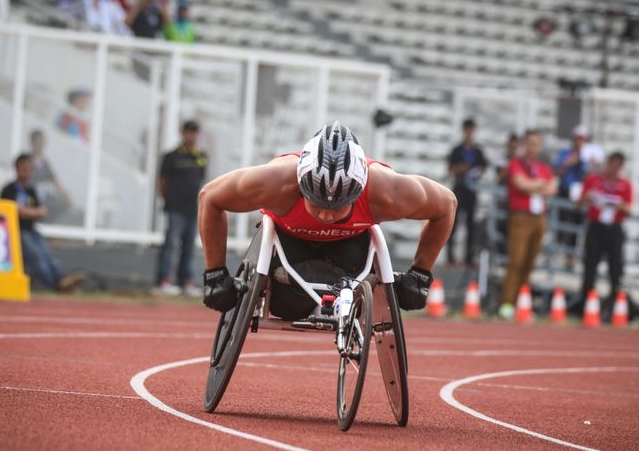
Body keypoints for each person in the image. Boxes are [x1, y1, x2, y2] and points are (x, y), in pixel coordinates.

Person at [198, 121, 457, 316]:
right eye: (317, 204)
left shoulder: (387, 193)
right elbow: (210, 197)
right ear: (300, 186)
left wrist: (420, 274)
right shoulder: (275, 182)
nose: (326, 215)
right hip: (287, 245)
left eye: (338, 207)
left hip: (350, 249)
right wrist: (215, 274)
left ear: (357, 194)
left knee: (345, 290)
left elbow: (446, 205)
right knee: (290, 310)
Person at [0, 154, 85, 292]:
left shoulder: (31, 190)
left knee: (47, 254)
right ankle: (56, 285)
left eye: (29, 168)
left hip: (31, 229)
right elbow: (12, 212)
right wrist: (27, 212)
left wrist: (25, 211)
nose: (27, 171)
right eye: (24, 168)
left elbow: (42, 211)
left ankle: (63, 279)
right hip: (15, 231)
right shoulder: (8, 189)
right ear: (16, 168)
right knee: (36, 256)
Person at [499, 129, 557, 320]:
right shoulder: (516, 163)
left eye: (536, 144)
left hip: (538, 218)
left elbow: (552, 189)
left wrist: (535, 185)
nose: (533, 147)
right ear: (525, 144)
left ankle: (521, 303)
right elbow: (520, 184)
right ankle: (507, 304)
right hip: (520, 218)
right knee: (515, 261)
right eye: (530, 143)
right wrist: (539, 185)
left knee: (529, 263)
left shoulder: (543, 167)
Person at [154, 121, 208, 297]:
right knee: (170, 244)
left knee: (189, 246)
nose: (191, 136)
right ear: (182, 133)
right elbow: (162, 182)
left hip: (192, 208)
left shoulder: (201, 156)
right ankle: (164, 280)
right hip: (175, 208)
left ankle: (185, 281)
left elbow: (201, 181)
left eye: (194, 133)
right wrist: (169, 199)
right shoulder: (171, 157)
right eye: (189, 132)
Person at [577, 151, 633, 316]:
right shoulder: (593, 180)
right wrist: (588, 197)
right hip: (596, 227)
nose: (613, 168)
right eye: (611, 164)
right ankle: (585, 306)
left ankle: (614, 307)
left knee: (616, 269)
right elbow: (579, 203)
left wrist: (619, 205)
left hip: (614, 228)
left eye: (617, 165)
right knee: (590, 267)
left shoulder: (625, 184)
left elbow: (629, 209)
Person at [447, 118, 487, 266]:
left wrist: (474, 172)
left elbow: (483, 168)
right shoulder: (457, 150)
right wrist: (461, 169)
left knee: (471, 225)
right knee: (454, 224)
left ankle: (469, 258)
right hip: (459, 189)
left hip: (471, 191)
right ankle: (450, 257)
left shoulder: (478, 151)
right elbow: (450, 169)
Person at [553, 125, 589, 269]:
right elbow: (556, 172)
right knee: (561, 225)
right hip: (565, 192)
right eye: (578, 139)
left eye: (582, 139)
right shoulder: (565, 153)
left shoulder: (589, 157)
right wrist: (569, 163)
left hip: (579, 196)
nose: (580, 142)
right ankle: (555, 253)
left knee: (575, 226)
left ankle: (570, 258)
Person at [29, 129, 71, 221]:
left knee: (61, 205)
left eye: (42, 142)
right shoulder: (27, 161)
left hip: (45, 196)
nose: (41, 145)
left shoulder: (44, 163)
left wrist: (66, 195)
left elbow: (54, 180)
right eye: (38, 142)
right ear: (33, 142)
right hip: (31, 197)